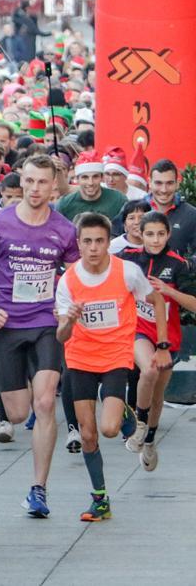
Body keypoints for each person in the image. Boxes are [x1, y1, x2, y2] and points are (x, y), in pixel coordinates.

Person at [0, 155, 78, 517]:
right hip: (6, 325)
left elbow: (75, 273)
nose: (35, 190)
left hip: (46, 323)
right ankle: (26, 409)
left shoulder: (65, 229)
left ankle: (39, 489)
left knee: (46, 402)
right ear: (22, 184)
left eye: (42, 183)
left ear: (54, 186)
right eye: (30, 182)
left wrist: (64, 304)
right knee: (18, 413)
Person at [55, 212, 167, 522]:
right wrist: (71, 319)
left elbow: (156, 301)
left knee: (109, 428)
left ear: (109, 243)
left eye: (99, 241)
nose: (93, 248)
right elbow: (60, 335)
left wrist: (161, 344)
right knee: (89, 434)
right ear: (78, 244)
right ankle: (100, 499)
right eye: (87, 241)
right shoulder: (69, 280)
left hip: (117, 355)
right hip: (79, 359)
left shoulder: (127, 272)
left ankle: (129, 419)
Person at [119, 211, 196, 471]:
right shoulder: (127, 259)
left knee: (159, 392)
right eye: (150, 234)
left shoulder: (177, 264)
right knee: (149, 368)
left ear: (169, 235)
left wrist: (169, 291)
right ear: (140, 234)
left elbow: (194, 304)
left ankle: (150, 439)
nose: (155, 240)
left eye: (161, 234)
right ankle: (140, 424)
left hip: (168, 334)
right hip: (137, 329)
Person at [56, 151, 127, 221]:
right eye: (85, 177)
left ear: (102, 178)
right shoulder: (65, 205)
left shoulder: (119, 200)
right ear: (77, 179)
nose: (90, 183)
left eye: (95, 177)